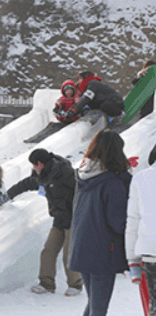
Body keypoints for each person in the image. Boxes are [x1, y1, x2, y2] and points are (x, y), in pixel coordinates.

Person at [69, 130, 132, 316]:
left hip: (81, 247)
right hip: (104, 250)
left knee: (94, 305)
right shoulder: (112, 183)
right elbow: (117, 222)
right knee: (99, 309)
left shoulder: (83, 176)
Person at [6, 149, 82, 295]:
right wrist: (8, 195)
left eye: (34, 165)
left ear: (40, 163)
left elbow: (82, 189)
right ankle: (47, 284)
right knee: (48, 251)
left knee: (69, 254)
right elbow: (26, 184)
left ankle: (75, 285)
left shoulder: (65, 174)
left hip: (74, 218)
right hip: (59, 218)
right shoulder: (42, 175)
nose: (33, 168)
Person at [126, 145, 156, 316]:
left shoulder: (140, 179)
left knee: (154, 306)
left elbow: (133, 221)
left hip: (150, 252)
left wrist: (131, 258)